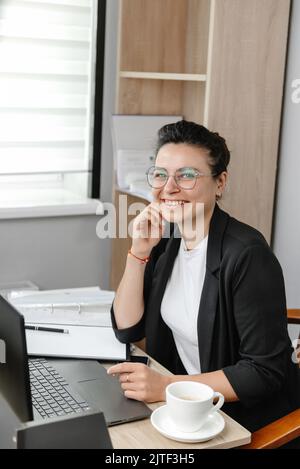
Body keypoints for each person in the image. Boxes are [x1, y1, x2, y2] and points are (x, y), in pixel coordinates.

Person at [108, 120, 300, 432]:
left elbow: (263, 372)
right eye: (161, 174)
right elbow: (127, 329)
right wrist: (138, 251)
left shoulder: (247, 255)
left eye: (186, 176)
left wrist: (167, 386)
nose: (168, 188)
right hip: (187, 407)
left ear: (220, 182)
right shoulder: (167, 240)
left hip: (245, 420)